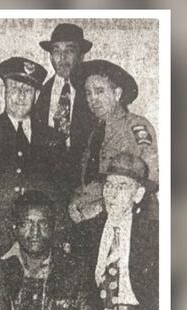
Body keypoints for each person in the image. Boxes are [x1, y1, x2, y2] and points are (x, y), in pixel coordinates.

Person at [0, 57, 67, 256]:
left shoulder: (53, 139)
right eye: (15, 88)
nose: (21, 96)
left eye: (28, 90)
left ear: (36, 95)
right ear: (4, 91)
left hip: (40, 246)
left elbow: (61, 195)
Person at [66, 151, 159, 310]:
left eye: (122, 186)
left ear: (138, 194)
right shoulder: (85, 231)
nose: (112, 194)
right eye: (108, 185)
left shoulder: (154, 235)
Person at [68, 59, 159, 223]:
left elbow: (151, 180)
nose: (92, 99)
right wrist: (75, 201)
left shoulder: (136, 127)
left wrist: (101, 207)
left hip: (133, 220)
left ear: (117, 94)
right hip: (97, 220)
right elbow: (90, 181)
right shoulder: (94, 134)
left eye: (99, 91)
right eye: (88, 93)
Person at [0, 190, 92, 310]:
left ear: (53, 226)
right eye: (27, 224)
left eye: (43, 224)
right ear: (14, 227)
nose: (35, 232)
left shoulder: (76, 272)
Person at [34, 23, 97, 189]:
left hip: (83, 182)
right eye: (56, 51)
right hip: (48, 181)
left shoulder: (90, 92)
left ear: (81, 55)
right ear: (50, 56)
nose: (62, 58)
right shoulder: (41, 92)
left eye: (69, 50)